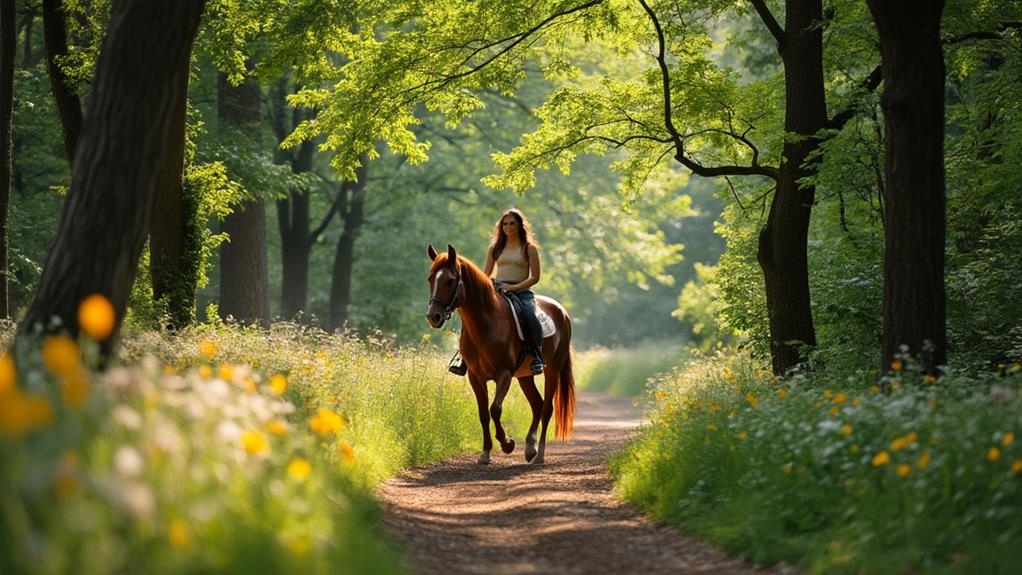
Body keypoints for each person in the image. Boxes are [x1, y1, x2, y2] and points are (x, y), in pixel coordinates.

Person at [450, 208, 545, 376]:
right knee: (472, 316)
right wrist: (485, 286)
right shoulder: (495, 248)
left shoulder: (529, 248)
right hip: (498, 289)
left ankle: (536, 357)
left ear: (520, 226)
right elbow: (485, 273)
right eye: (505, 224)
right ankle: (463, 358)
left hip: (521, 291)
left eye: (512, 223)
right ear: (501, 226)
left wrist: (515, 287)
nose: (508, 226)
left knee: (530, 316)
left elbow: (535, 277)